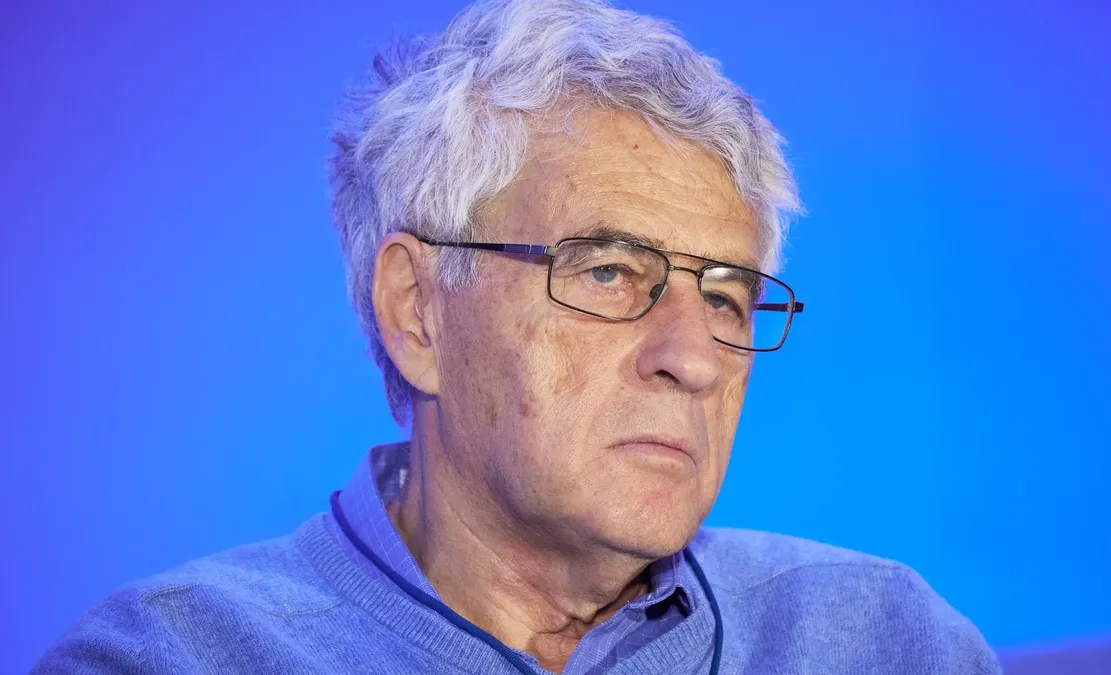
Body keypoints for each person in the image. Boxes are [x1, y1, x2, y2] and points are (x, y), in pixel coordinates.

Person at [34, 0, 1000, 672]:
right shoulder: (171, 658)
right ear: (418, 311)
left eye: (726, 298)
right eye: (610, 272)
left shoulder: (883, 641)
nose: (696, 359)